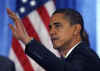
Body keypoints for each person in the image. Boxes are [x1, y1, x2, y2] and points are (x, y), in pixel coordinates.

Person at [7, 8, 100, 71]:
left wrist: (27, 40)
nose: (51, 32)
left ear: (76, 29)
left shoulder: (86, 55)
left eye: (57, 26)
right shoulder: (69, 59)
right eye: (50, 27)